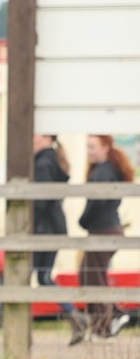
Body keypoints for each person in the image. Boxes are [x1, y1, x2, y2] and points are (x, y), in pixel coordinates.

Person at [32, 135, 91, 343]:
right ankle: (74, 314)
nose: (32, 139)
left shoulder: (43, 163)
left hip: (42, 229)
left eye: (36, 135)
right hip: (54, 227)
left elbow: (41, 200)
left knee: (22, 275)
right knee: (44, 277)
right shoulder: (54, 160)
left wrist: (30, 223)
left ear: (46, 138)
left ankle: (9, 327)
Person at [77, 134, 134, 342]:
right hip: (109, 228)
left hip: (103, 230)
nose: (89, 151)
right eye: (87, 147)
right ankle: (113, 316)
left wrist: (82, 221)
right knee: (89, 275)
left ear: (105, 147)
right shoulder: (109, 169)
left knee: (93, 278)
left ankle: (104, 327)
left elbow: (95, 203)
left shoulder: (103, 172)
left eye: (93, 147)